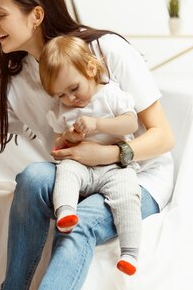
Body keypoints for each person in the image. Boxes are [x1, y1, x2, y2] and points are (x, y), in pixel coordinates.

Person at [0, 0, 174, 290]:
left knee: (78, 226)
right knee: (32, 177)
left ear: (36, 15)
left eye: (0, 15)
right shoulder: (15, 81)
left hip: (138, 175)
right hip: (80, 176)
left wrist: (105, 153)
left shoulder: (103, 50)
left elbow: (163, 136)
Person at [39, 35, 141, 276]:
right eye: (61, 95)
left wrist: (98, 125)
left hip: (115, 167)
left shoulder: (110, 94)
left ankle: (130, 252)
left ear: (90, 69)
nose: (70, 99)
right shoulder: (62, 110)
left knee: (127, 195)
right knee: (65, 171)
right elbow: (57, 145)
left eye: (73, 89)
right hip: (81, 167)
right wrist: (68, 137)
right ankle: (66, 211)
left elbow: (131, 123)